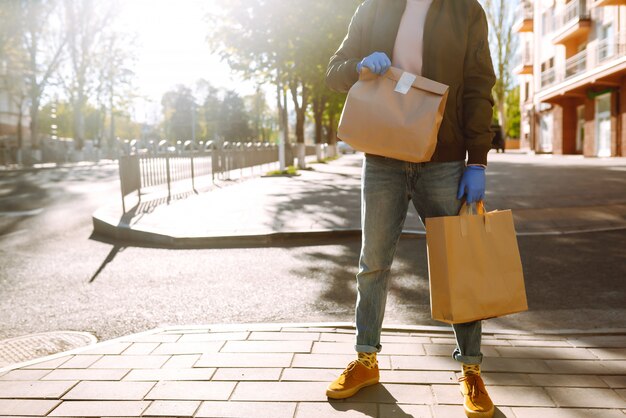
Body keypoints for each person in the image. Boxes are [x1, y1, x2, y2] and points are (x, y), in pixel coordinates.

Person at [325, 0, 497, 417]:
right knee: (373, 263)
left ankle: (471, 370)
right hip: (382, 154)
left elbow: (478, 84)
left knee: (460, 265)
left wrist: (477, 159)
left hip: (446, 159)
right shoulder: (374, 7)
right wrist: (359, 66)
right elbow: (334, 71)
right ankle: (366, 361)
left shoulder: (465, 10)